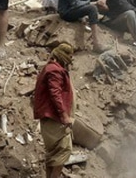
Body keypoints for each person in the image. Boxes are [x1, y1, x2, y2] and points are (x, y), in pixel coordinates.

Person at [33, 42, 75, 178]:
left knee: (53, 155)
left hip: (51, 118)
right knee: (63, 151)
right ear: (64, 55)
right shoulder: (55, 70)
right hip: (54, 118)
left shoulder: (50, 68)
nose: (71, 60)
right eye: (70, 56)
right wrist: (64, 116)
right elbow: (55, 94)